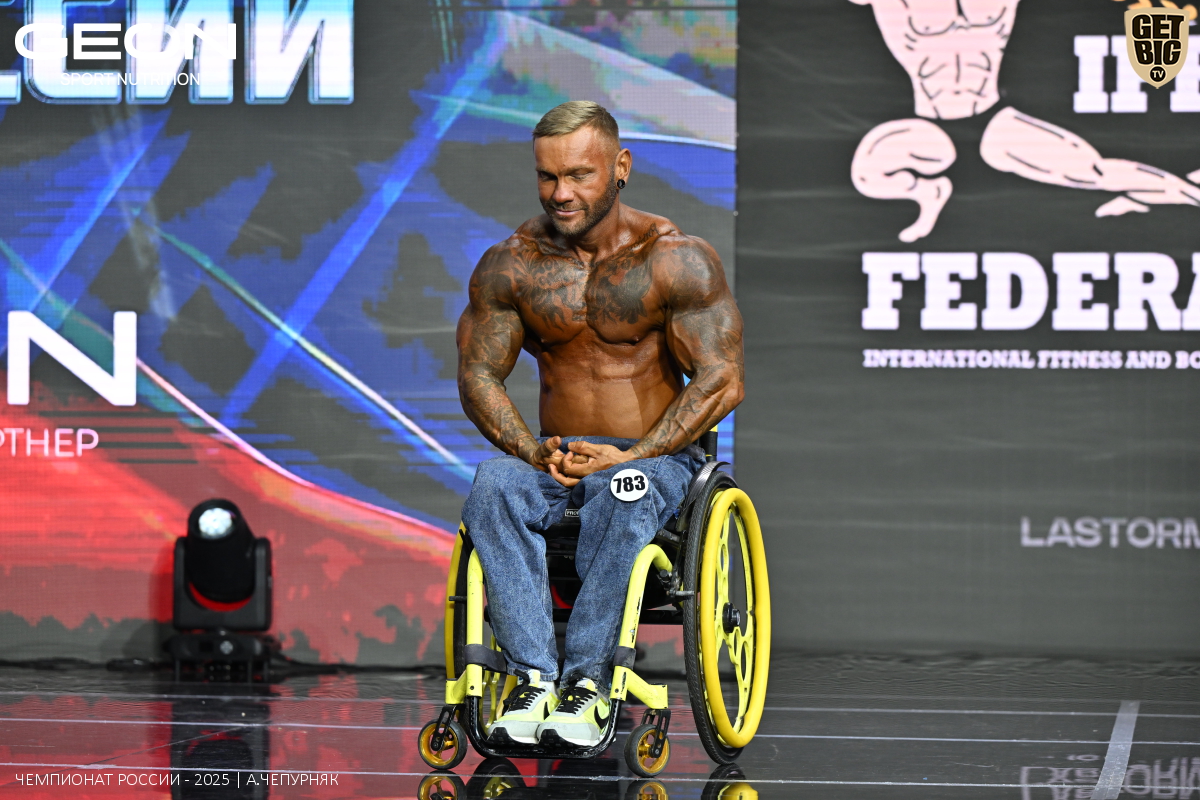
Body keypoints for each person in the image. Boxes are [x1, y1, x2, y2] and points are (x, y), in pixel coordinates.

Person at [455, 100, 744, 747]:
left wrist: (633, 455)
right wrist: (530, 451)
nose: (561, 193)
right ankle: (533, 678)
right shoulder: (513, 265)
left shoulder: (674, 260)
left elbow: (722, 377)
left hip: (654, 459)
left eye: (579, 175)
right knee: (494, 485)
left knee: (624, 489)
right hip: (555, 458)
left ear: (620, 167)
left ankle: (587, 682)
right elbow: (477, 375)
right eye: (547, 176)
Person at [847, 0, 1200, 242]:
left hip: (991, 118)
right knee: (868, 174)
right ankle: (928, 193)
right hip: (929, 123)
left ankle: (1191, 193)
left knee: (1095, 172)